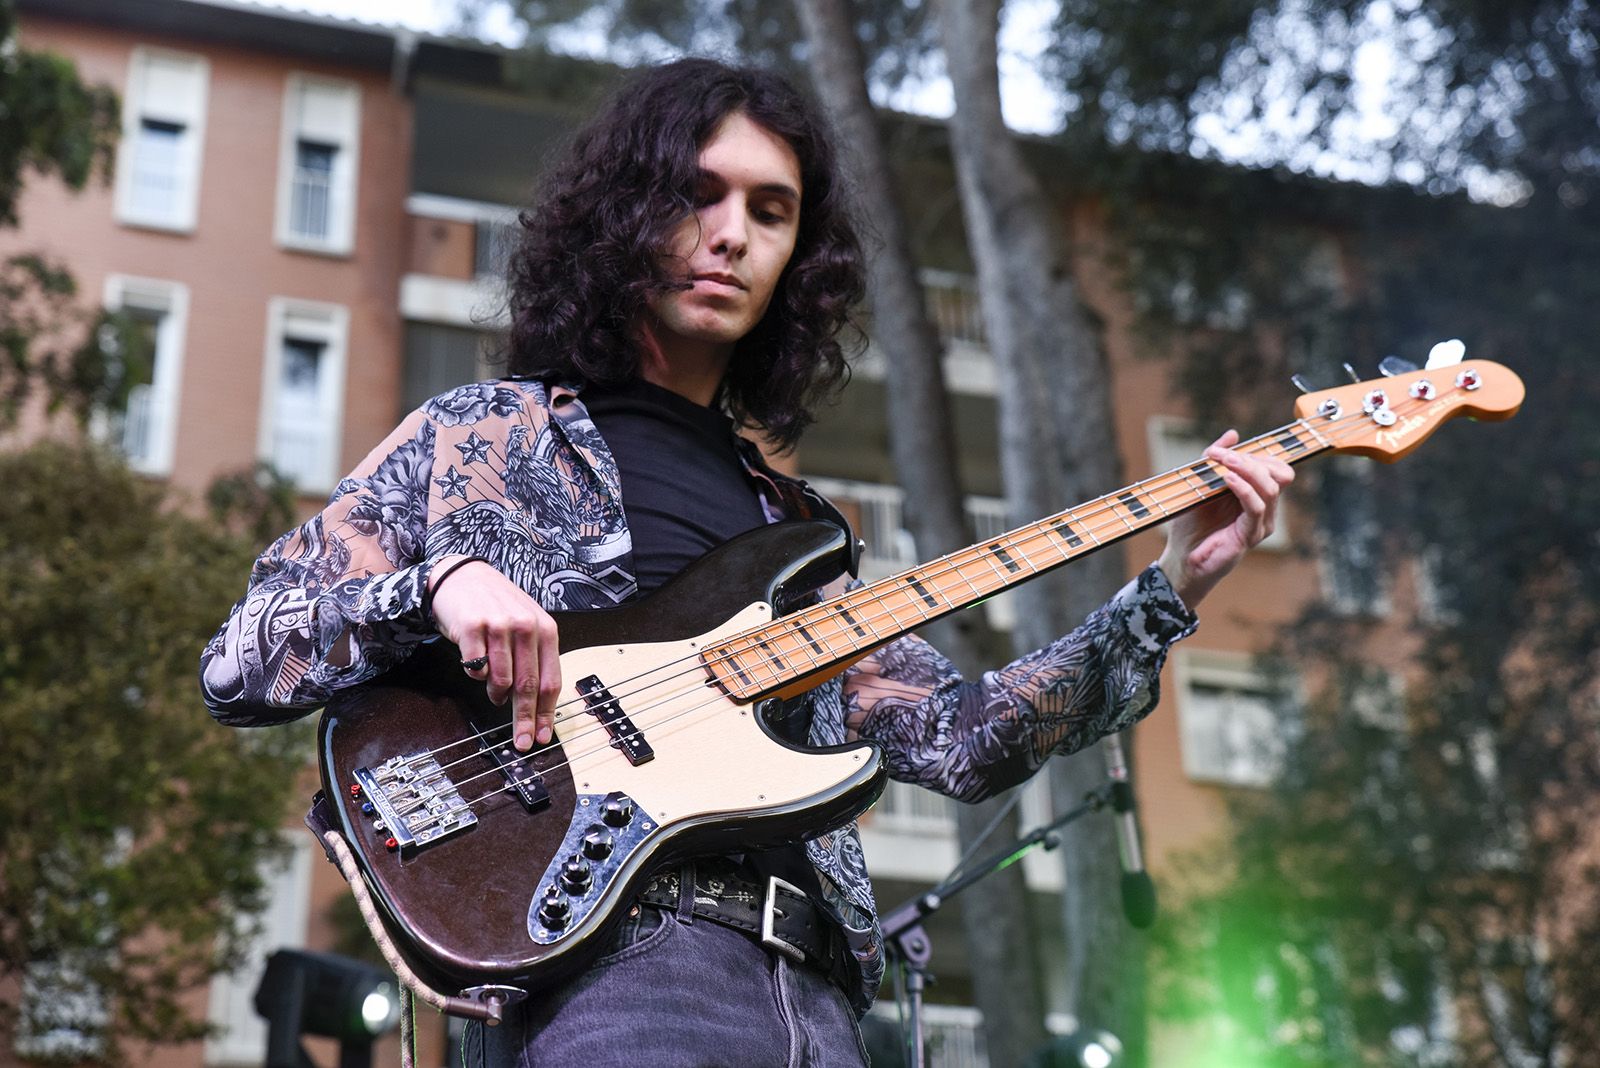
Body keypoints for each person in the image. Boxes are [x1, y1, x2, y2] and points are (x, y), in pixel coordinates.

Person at [200, 58, 1291, 1067]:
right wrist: (435, 587)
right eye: (697, 194)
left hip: (818, 1003)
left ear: (798, 259)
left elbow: (965, 741)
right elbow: (242, 657)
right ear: (623, 212)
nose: (731, 235)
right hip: (610, 977)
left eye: (771, 212)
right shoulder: (483, 435)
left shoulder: (796, 538)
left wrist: (1169, 590)